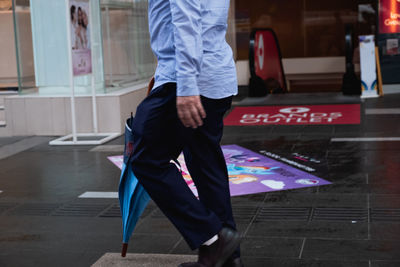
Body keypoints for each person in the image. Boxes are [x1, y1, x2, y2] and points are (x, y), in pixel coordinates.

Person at [131, 0, 243, 266]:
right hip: (213, 74)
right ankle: (227, 260)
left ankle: (214, 238)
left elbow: (187, 19)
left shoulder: (186, 82)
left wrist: (187, 85)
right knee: (205, 165)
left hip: (184, 79)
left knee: (146, 160)